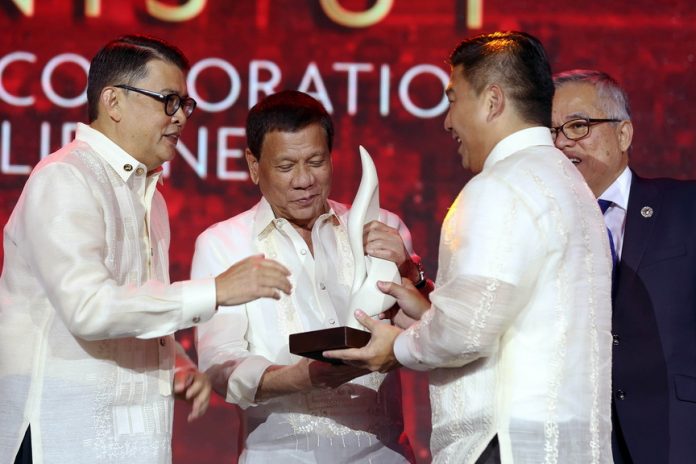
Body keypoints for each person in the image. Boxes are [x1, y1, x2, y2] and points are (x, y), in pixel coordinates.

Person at [0, 35, 292, 464]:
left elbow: (134, 300)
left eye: (185, 105)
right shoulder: (64, 178)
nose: (180, 119)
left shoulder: (150, 195)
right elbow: (88, 308)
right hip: (61, 436)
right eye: (168, 101)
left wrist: (173, 362)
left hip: (134, 440)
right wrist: (215, 290)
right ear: (113, 102)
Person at [325, 31, 614, 463]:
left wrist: (396, 347)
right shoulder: (567, 182)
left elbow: (468, 331)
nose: (447, 120)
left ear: (492, 101)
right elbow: (508, 311)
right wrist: (430, 311)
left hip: (501, 443)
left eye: (453, 98)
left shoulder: (499, 186)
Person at [192, 89, 430, 463]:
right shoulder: (222, 244)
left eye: (316, 161)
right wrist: (304, 377)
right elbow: (221, 365)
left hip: (384, 453)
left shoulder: (380, 226)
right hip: (280, 454)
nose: (304, 180)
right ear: (254, 166)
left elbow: (435, 332)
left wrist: (410, 272)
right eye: (286, 166)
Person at [552, 69, 696, 464]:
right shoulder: (540, 229)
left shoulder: (686, 207)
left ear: (624, 134)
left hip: (677, 434)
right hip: (576, 442)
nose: (562, 142)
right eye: (551, 132)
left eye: (578, 126)